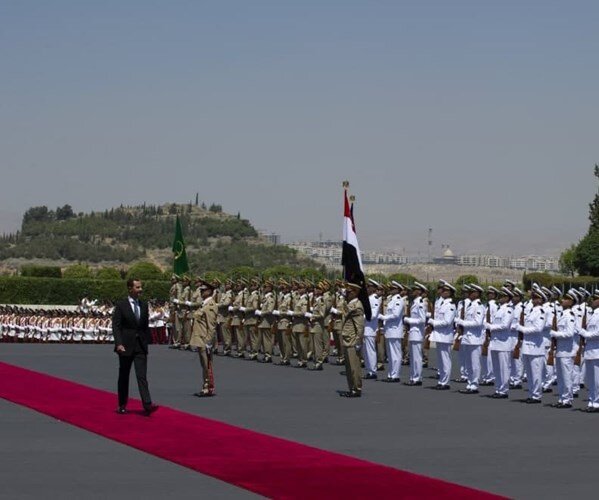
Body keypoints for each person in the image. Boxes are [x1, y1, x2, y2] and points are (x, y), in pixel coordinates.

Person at [112, 278, 158, 416]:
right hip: (125, 346)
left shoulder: (143, 305)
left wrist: (147, 341)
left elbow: (144, 326)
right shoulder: (121, 305)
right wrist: (118, 343)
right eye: (137, 287)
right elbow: (116, 326)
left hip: (140, 346)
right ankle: (122, 404)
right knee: (124, 376)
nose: (140, 290)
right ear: (130, 289)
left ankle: (147, 404)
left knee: (142, 376)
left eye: (140, 287)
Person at [190, 282, 219, 397]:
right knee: (204, 364)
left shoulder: (210, 305)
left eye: (203, 290)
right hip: (200, 339)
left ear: (209, 291)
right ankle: (205, 385)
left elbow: (211, 326)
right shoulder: (204, 304)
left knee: (207, 364)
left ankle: (208, 387)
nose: (201, 292)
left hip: (204, 339)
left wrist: (208, 341)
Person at [339, 282, 365, 397]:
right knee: (349, 367)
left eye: (349, 292)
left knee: (354, 366)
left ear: (355, 293)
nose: (347, 294)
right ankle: (351, 388)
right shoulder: (349, 303)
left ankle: (357, 388)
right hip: (347, 338)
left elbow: (359, 326)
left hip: (353, 339)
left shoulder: (357, 306)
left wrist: (358, 342)